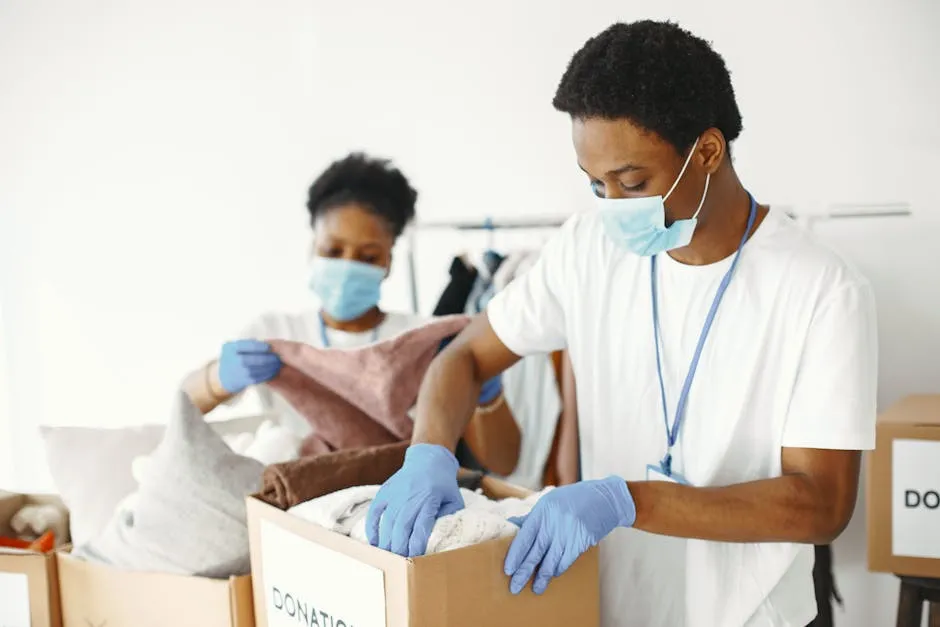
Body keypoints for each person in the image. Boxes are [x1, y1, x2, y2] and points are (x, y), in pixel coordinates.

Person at [363, 21, 877, 627]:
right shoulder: (587, 249)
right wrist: (428, 452)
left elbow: (820, 504)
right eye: (595, 185)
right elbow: (464, 356)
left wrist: (627, 500)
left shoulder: (823, 290)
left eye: (632, 183)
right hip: (605, 607)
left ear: (707, 152)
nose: (612, 205)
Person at [183, 152, 520, 475]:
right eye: (332, 250)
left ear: (388, 261)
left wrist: (486, 392)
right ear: (312, 248)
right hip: (299, 504)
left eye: (368, 257)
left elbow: (506, 463)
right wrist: (216, 380)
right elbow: (182, 410)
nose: (347, 266)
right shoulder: (274, 332)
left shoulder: (423, 342)